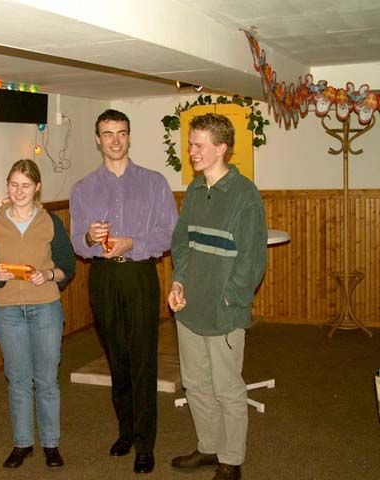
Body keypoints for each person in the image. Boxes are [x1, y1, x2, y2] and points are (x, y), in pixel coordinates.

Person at [69, 109, 178, 474]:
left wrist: (132, 242)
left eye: (121, 133)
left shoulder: (154, 182)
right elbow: (77, 241)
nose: (115, 140)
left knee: (143, 359)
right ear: (97, 140)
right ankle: (126, 431)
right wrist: (89, 237)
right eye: (107, 134)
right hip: (103, 278)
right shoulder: (83, 188)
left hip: (139, 275)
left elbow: (169, 233)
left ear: (129, 137)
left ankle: (146, 444)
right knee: (117, 358)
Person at [167, 113, 267, 480]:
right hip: (189, 308)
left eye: (199, 145)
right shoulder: (195, 190)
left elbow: (253, 260)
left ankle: (231, 459)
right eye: (190, 144)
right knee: (195, 383)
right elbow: (182, 243)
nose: (191, 151)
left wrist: (230, 300)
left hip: (224, 312)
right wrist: (179, 283)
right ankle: (208, 447)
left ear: (221, 148)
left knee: (227, 388)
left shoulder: (245, 195)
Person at [0, 159, 75, 469]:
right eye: (14, 184)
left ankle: (51, 444)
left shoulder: (50, 222)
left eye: (26, 186)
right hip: (8, 311)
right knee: (18, 380)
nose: (19, 191)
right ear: (7, 186)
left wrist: (48, 274)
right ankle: (22, 444)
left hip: (45, 307)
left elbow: (67, 266)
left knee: (46, 380)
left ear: (37, 188)